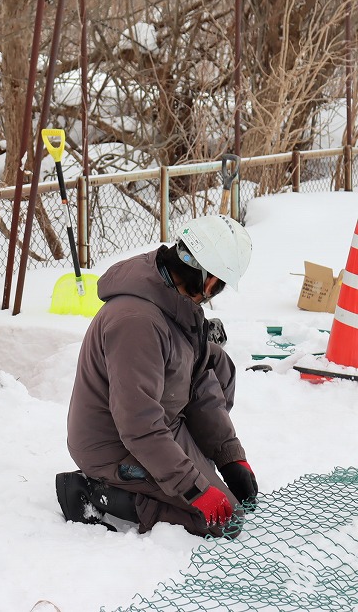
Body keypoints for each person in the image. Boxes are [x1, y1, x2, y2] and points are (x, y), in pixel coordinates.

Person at [57, 214, 259, 538]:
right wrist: (195, 489)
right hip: (114, 443)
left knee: (217, 361)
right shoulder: (137, 323)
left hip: (158, 421)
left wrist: (229, 456)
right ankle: (93, 490)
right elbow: (138, 425)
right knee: (222, 520)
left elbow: (201, 383)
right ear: (209, 280)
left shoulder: (175, 299)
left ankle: (177, 464)